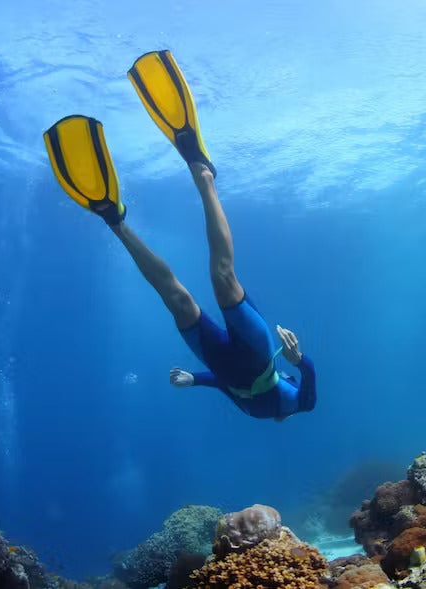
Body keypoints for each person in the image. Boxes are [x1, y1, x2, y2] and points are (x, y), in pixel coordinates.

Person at [42, 50, 316, 421]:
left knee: (177, 299)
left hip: (220, 363)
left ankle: (114, 220)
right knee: (223, 276)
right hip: (257, 352)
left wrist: (194, 380)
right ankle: (204, 175)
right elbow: (311, 399)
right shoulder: (292, 403)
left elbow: (226, 384)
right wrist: (302, 362)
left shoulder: (253, 411)